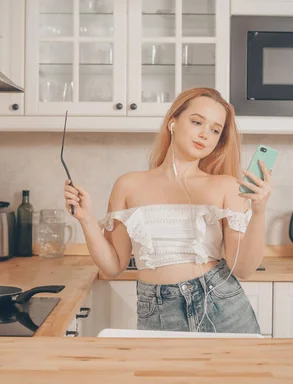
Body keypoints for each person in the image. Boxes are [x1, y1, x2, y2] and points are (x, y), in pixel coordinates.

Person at [63, 87, 273, 333]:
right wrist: (86, 219)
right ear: (172, 122)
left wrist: (259, 212)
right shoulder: (128, 185)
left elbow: (244, 269)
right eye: (197, 122)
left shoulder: (226, 186)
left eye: (215, 130)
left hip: (223, 306)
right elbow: (112, 267)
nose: (205, 134)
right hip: (158, 310)